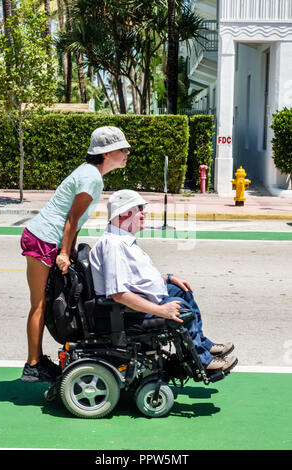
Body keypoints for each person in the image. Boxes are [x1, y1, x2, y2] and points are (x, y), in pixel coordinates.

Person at [20, 126, 131, 383]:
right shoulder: (91, 177)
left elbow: (77, 222)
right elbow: (70, 218)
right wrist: (63, 252)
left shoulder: (93, 175)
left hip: (52, 240)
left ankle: (36, 361)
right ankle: (33, 364)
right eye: (122, 149)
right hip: (42, 239)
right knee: (39, 304)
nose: (127, 153)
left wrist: (68, 252)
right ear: (106, 153)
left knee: (47, 301)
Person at [90, 189, 238, 373]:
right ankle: (202, 360)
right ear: (123, 214)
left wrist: (167, 278)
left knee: (182, 290)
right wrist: (161, 310)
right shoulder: (113, 245)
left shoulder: (121, 240)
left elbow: (133, 278)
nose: (145, 212)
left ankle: (203, 344)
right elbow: (118, 293)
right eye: (139, 208)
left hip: (141, 299)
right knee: (180, 306)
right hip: (126, 313)